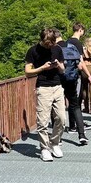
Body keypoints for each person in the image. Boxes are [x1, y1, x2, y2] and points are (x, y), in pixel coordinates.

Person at [25, 28, 66, 162]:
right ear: (42, 40)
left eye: (52, 43)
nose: (50, 46)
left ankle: (54, 143)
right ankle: (44, 148)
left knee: (61, 118)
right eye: (48, 43)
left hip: (57, 85)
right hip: (43, 87)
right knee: (42, 120)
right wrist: (42, 68)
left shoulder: (57, 49)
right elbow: (27, 71)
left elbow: (63, 69)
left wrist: (58, 65)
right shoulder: (33, 51)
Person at [61, 23, 91, 145]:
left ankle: (70, 126)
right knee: (75, 102)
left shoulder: (67, 42)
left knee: (64, 103)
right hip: (73, 76)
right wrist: (88, 75)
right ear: (80, 30)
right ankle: (79, 131)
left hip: (60, 77)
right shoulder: (77, 44)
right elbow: (81, 62)